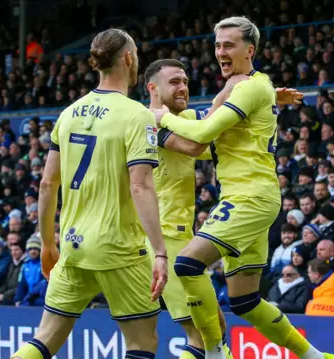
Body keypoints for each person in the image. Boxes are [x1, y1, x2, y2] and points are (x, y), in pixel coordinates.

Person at [152, 16, 334, 359]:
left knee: (188, 264)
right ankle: (315, 357)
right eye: (218, 45)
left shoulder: (250, 86)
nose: (220, 52)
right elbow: (206, 135)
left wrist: (163, 119)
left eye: (229, 45)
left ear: (250, 50)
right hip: (250, 198)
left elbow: (203, 135)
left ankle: (216, 352)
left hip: (250, 198)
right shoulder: (244, 88)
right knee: (245, 301)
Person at [12, 29, 168, 359]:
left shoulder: (68, 114)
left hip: (72, 244)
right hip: (119, 248)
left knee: (45, 339)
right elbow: (139, 186)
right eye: (136, 52)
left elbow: (46, 185)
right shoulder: (136, 114)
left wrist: (48, 243)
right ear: (128, 58)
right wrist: (160, 252)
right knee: (142, 344)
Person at [145, 58, 232, 359]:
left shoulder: (187, 117)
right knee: (199, 336)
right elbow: (197, 145)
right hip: (163, 240)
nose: (183, 87)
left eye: (184, 81)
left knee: (217, 331)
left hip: (184, 239)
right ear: (152, 88)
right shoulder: (146, 123)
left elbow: (213, 128)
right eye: (174, 82)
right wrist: (233, 89)